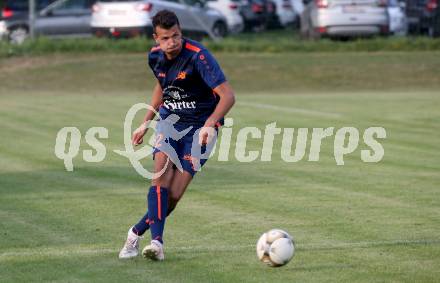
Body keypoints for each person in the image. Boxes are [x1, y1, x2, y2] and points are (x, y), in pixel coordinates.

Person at [118, 10, 235, 261]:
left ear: (181, 32)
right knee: (160, 177)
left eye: (176, 36)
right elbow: (162, 86)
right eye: (166, 38)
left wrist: (210, 123)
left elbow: (228, 96)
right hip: (169, 122)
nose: (172, 42)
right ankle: (157, 244)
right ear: (155, 39)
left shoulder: (199, 56)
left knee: (172, 197)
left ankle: (135, 232)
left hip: (201, 128)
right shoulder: (154, 57)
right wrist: (145, 122)